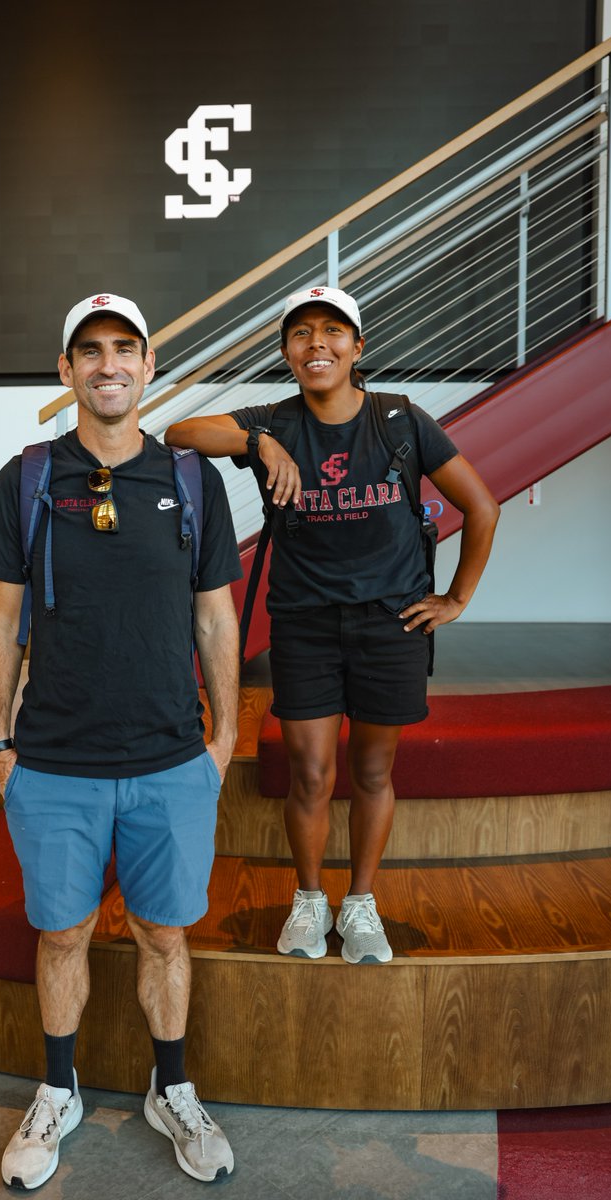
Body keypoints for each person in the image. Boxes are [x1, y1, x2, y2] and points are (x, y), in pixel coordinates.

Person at [0, 293, 241, 1190]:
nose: (107, 364)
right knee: (62, 938)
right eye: (88, 351)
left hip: (172, 760)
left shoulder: (195, 481)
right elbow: (1, 619)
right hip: (52, 765)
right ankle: (59, 1091)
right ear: (66, 373)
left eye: (123, 348)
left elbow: (217, 619)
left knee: (166, 937)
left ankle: (174, 1090)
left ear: (148, 364)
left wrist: (226, 738)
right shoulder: (26, 479)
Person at [165, 286, 499, 965]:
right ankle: (310, 900)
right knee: (311, 774)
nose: (317, 343)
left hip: (391, 623)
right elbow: (180, 434)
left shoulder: (402, 420)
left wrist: (455, 598)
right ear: (287, 352)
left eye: (332, 331)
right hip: (305, 625)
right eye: (301, 333)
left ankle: (363, 901)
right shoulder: (276, 421)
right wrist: (261, 442)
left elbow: (482, 507)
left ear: (357, 348)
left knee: (373, 771)